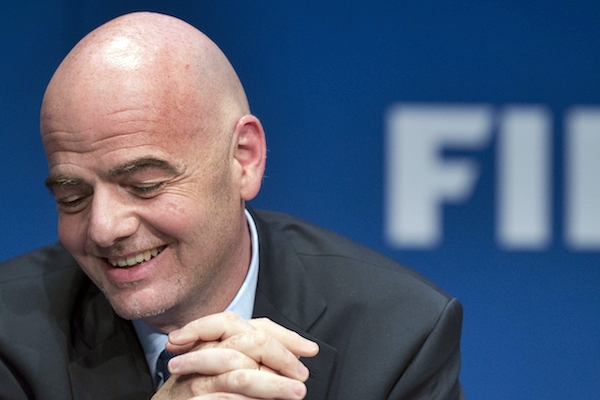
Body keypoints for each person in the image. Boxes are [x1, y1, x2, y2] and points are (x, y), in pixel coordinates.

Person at [0, 11, 464, 400]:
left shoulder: (397, 337)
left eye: (144, 185)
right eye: (73, 198)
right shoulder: (8, 334)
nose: (103, 228)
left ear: (244, 159)